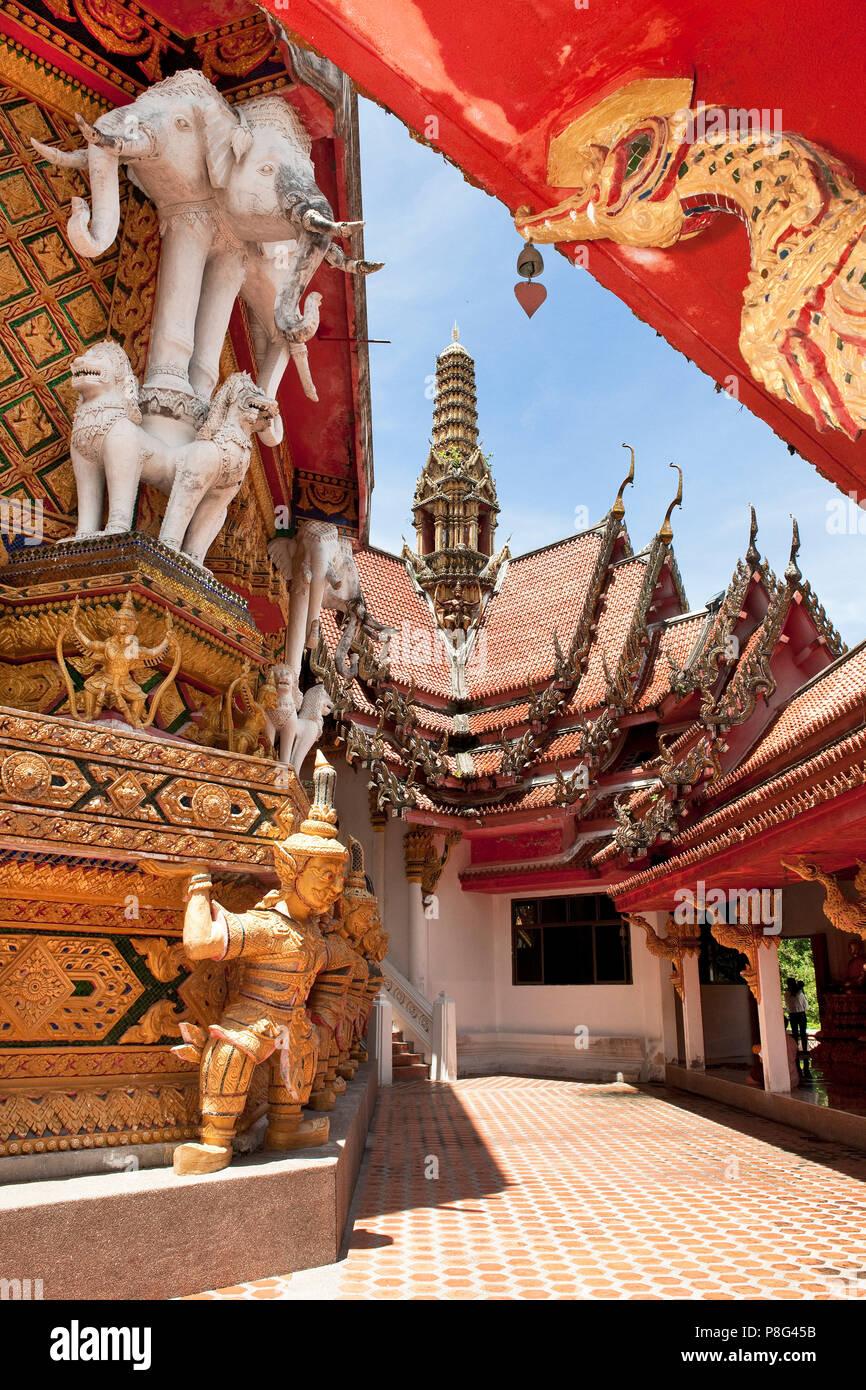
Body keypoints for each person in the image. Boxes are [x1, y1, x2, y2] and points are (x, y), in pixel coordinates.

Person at [784, 976, 809, 1053]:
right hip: (800, 1014)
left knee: (796, 1035)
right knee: (802, 1034)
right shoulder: (799, 992)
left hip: (792, 1015)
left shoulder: (787, 994)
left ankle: (796, 1051)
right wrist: (800, 987)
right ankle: (804, 1051)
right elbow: (804, 1002)